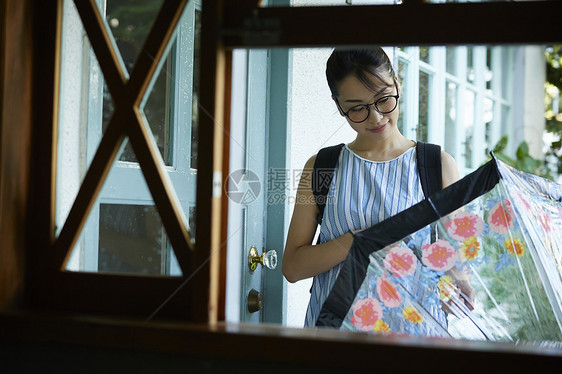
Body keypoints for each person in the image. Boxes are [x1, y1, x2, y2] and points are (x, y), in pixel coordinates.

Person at [282, 47, 467, 332]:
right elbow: (293, 267)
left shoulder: (436, 165)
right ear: (338, 104)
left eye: (384, 99)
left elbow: (456, 263)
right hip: (336, 334)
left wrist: (461, 285)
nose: (376, 117)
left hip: (414, 334)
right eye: (357, 108)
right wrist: (360, 241)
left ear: (397, 84)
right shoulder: (321, 167)